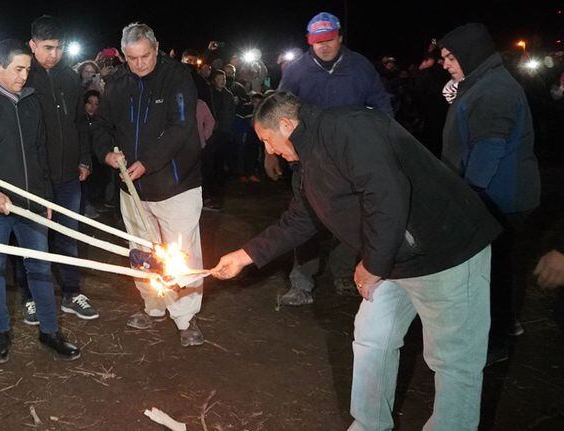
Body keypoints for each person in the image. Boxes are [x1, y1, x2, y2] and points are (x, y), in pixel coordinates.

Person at [212, 91, 500, 430]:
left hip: (447, 249)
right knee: (372, 337)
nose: (269, 150)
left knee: (453, 361)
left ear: (287, 125)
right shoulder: (305, 163)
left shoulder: (347, 128)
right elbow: (300, 220)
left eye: (268, 140)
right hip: (394, 257)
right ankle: (369, 424)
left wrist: (373, 264)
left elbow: (387, 194)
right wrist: (245, 256)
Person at [0, 38, 82, 364]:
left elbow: (40, 153)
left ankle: (50, 330)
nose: (25, 76)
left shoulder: (30, 101)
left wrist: (46, 198)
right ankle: (0, 332)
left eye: (28, 69)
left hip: (31, 203)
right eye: (18, 69)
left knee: (40, 264)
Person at [91, 23, 206, 347]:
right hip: (133, 188)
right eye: (131, 58)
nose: (139, 64)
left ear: (156, 49)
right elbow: (100, 125)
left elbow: (181, 126)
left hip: (176, 184)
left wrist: (149, 162)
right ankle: (153, 305)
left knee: (180, 252)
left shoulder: (178, 78)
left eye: (145, 56)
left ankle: (185, 317)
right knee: (141, 250)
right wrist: (106, 154)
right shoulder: (117, 82)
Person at [269, 11, 393, 307]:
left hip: (352, 159)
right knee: (306, 215)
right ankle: (301, 282)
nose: (323, 47)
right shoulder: (297, 70)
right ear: (308, 42)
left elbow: (381, 105)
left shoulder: (361, 67)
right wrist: (271, 153)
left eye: (328, 40)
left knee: (351, 216)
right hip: (308, 159)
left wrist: (384, 140)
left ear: (340, 37)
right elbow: (277, 112)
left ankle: (343, 272)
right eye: (316, 42)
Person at [437, 23, 541, 364]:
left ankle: (495, 341)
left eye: (450, 57)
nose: (445, 64)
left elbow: (488, 148)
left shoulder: (493, 90)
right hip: (495, 195)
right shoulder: (482, 83)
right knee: (497, 266)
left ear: (471, 54)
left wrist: (468, 196)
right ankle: (503, 327)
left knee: (490, 271)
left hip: (499, 197)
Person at [16, 16, 99, 323]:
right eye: (47, 47)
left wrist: (84, 158)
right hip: (35, 177)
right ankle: (31, 297)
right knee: (32, 237)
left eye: (59, 48)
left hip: (68, 175)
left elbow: (80, 122)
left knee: (68, 235)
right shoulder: (24, 76)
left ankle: (71, 292)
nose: (53, 54)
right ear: (32, 45)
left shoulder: (70, 77)